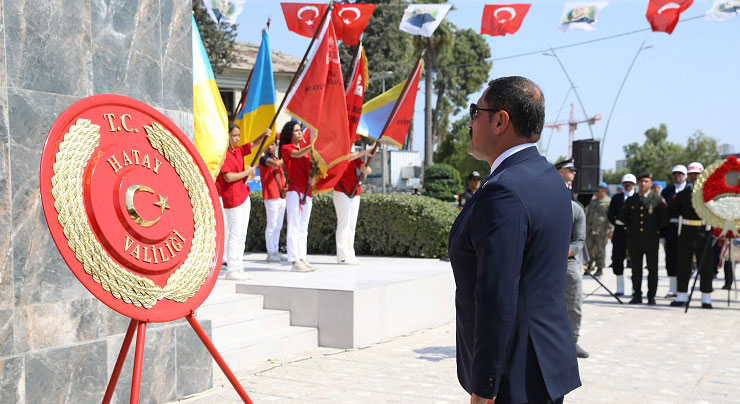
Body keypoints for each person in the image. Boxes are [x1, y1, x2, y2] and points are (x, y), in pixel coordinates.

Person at [449, 76, 580, 404]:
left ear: (499, 120)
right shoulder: (547, 177)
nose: (470, 122)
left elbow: (497, 295)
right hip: (545, 362)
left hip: (514, 375)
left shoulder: (504, 191)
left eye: (474, 112)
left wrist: (485, 386)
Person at [217, 124, 268, 280]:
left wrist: (263, 134)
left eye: (238, 135)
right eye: (234, 135)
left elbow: (252, 144)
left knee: (242, 235)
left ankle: (239, 267)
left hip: (243, 195)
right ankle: (231, 269)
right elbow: (228, 177)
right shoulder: (222, 154)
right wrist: (247, 172)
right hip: (231, 197)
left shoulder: (238, 150)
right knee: (235, 234)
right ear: (226, 136)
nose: (237, 138)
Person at [670, 162, 714, 308]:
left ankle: (706, 297)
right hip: (686, 232)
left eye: (697, 175)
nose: (694, 177)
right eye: (691, 175)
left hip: (704, 232)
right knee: (683, 264)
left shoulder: (710, 194)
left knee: (705, 265)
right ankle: (682, 294)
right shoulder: (682, 195)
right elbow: (673, 211)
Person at [557, 162, 590, 359]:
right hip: (543, 260)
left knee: (574, 299)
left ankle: (572, 341)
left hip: (567, 261)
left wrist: (560, 253)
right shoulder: (542, 204)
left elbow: (579, 241)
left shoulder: (576, 209)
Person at [619, 173, 668, 305]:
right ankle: (637, 295)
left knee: (652, 269)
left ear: (651, 184)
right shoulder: (632, 199)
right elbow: (623, 216)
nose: (643, 184)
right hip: (635, 239)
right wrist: (632, 226)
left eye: (646, 181)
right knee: (636, 269)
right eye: (641, 181)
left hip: (651, 238)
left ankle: (651, 296)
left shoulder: (656, 199)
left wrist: (654, 228)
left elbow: (664, 217)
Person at [279, 120, 316, 272]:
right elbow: (298, 153)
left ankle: (302, 257)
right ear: (290, 134)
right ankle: (294, 260)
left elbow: (311, 169)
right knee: (294, 226)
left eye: (300, 130)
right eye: (296, 130)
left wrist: (314, 176)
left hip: (307, 191)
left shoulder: (307, 152)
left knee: (303, 227)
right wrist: (313, 145)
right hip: (294, 191)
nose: (300, 132)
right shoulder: (286, 148)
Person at [333, 148, 374, 265]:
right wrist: (365, 152)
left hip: (355, 192)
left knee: (351, 226)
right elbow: (346, 157)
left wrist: (366, 169)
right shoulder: (338, 154)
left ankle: (350, 253)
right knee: (343, 224)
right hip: (341, 191)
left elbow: (365, 168)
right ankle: (342, 256)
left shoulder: (354, 155)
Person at [660, 164, 688, 297]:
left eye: (680, 174)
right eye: (675, 174)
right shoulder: (667, 191)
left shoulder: (691, 189)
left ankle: (683, 288)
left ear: (685, 175)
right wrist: (662, 234)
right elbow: (663, 213)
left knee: (684, 259)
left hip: (687, 228)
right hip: (670, 228)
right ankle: (673, 288)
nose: (677, 176)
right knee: (670, 258)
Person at [259, 140, 288, 263]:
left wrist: (285, 186)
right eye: (269, 144)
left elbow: (281, 174)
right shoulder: (264, 158)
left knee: (278, 225)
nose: (271, 146)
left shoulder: (276, 158)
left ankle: (275, 250)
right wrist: (287, 157)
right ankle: (270, 252)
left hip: (280, 195)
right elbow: (275, 164)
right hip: (271, 195)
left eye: (273, 144)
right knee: (271, 225)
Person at [607, 173, 636, 296]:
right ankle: (620, 288)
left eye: (630, 183)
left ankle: (636, 288)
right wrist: (617, 223)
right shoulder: (616, 198)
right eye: (625, 183)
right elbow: (610, 214)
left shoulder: (638, 197)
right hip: (619, 231)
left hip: (634, 232)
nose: (627, 185)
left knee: (635, 260)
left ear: (634, 184)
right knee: (618, 258)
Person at [585, 182, 612, 278]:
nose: (596, 191)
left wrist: (611, 230)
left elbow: (611, 217)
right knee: (589, 249)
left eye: (598, 189)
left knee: (600, 250)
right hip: (590, 229)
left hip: (601, 230)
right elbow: (587, 215)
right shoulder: (593, 202)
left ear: (604, 190)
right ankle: (589, 265)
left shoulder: (608, 202)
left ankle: (600, 268)